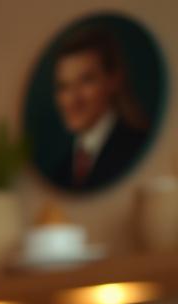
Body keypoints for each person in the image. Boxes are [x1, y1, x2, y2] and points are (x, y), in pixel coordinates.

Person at [45, 24, 150, 191]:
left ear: (114, 80)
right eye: (64, 86)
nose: (73, 99)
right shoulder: (60, 172)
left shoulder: (140, 147)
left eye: (86, 80)